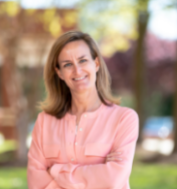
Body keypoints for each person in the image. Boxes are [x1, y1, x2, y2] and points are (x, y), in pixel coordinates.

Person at [27, 31, 139, 189]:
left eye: (83, 60)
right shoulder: (44, 121)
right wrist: (97, 173)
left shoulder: (124, 119)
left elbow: (113, 180)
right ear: (59, 72)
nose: (77, 71)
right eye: (67, 64)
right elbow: (35, 184)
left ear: (97, 64)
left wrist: (55, 171)